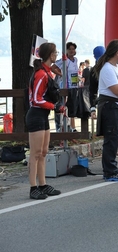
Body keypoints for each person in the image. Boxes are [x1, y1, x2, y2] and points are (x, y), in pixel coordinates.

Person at [26, 42, 64, 200]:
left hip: (43, 115)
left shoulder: (47, 72)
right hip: (36, 115)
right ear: (50, 54)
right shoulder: (41, 74)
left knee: (43, 152)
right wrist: (53, 106)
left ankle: (42, 184)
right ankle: (32, 187)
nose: (57, 54)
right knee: (35, 154)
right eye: (55, 52)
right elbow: (36, 99)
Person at [92, 39, 118, 182]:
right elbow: (117, 89)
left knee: (114, 138)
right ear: (117, 52)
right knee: (111, 139)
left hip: (117, 106)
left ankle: (111, 169)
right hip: (109, 106)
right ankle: (110, 171)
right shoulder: (107, 68)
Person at [55, 41, 79, 132]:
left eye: (73, 49)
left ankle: (71, 127)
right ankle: (61, 127)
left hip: (74, 86)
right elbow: (53, 68)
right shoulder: (64, 60)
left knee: (72, 107)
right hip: (66, 86)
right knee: (63, 106)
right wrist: (61, 75)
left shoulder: (75, 60)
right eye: (70, 49)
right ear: (66, 50)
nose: (72, 51)